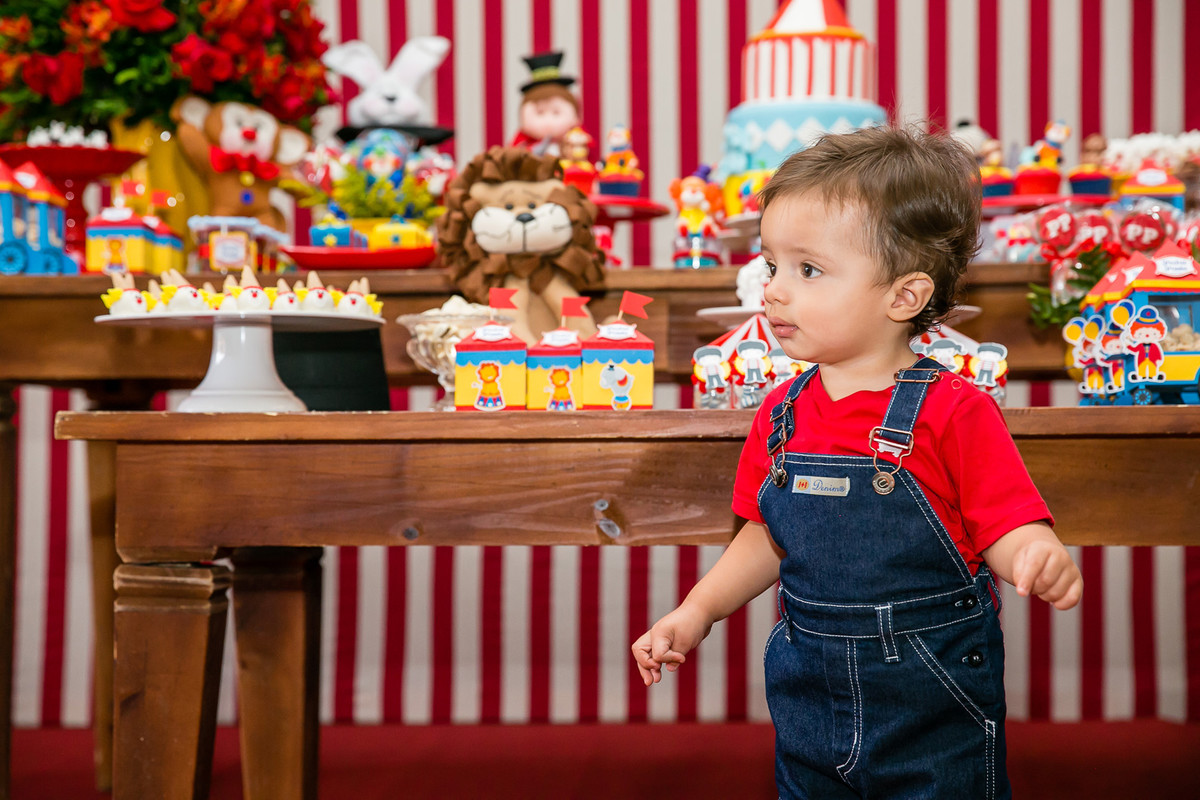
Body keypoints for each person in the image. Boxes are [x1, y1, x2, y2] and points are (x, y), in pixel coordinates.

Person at [632, 126, 1083, 800]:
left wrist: (1033, 553)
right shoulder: (780, 413)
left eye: (808, 270)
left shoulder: (954, 410)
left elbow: (1004, 521)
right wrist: (696, 612)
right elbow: (766, 535)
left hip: (929, 699)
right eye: (772, 265)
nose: (774, 291)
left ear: (903, 297)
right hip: (808, 696)